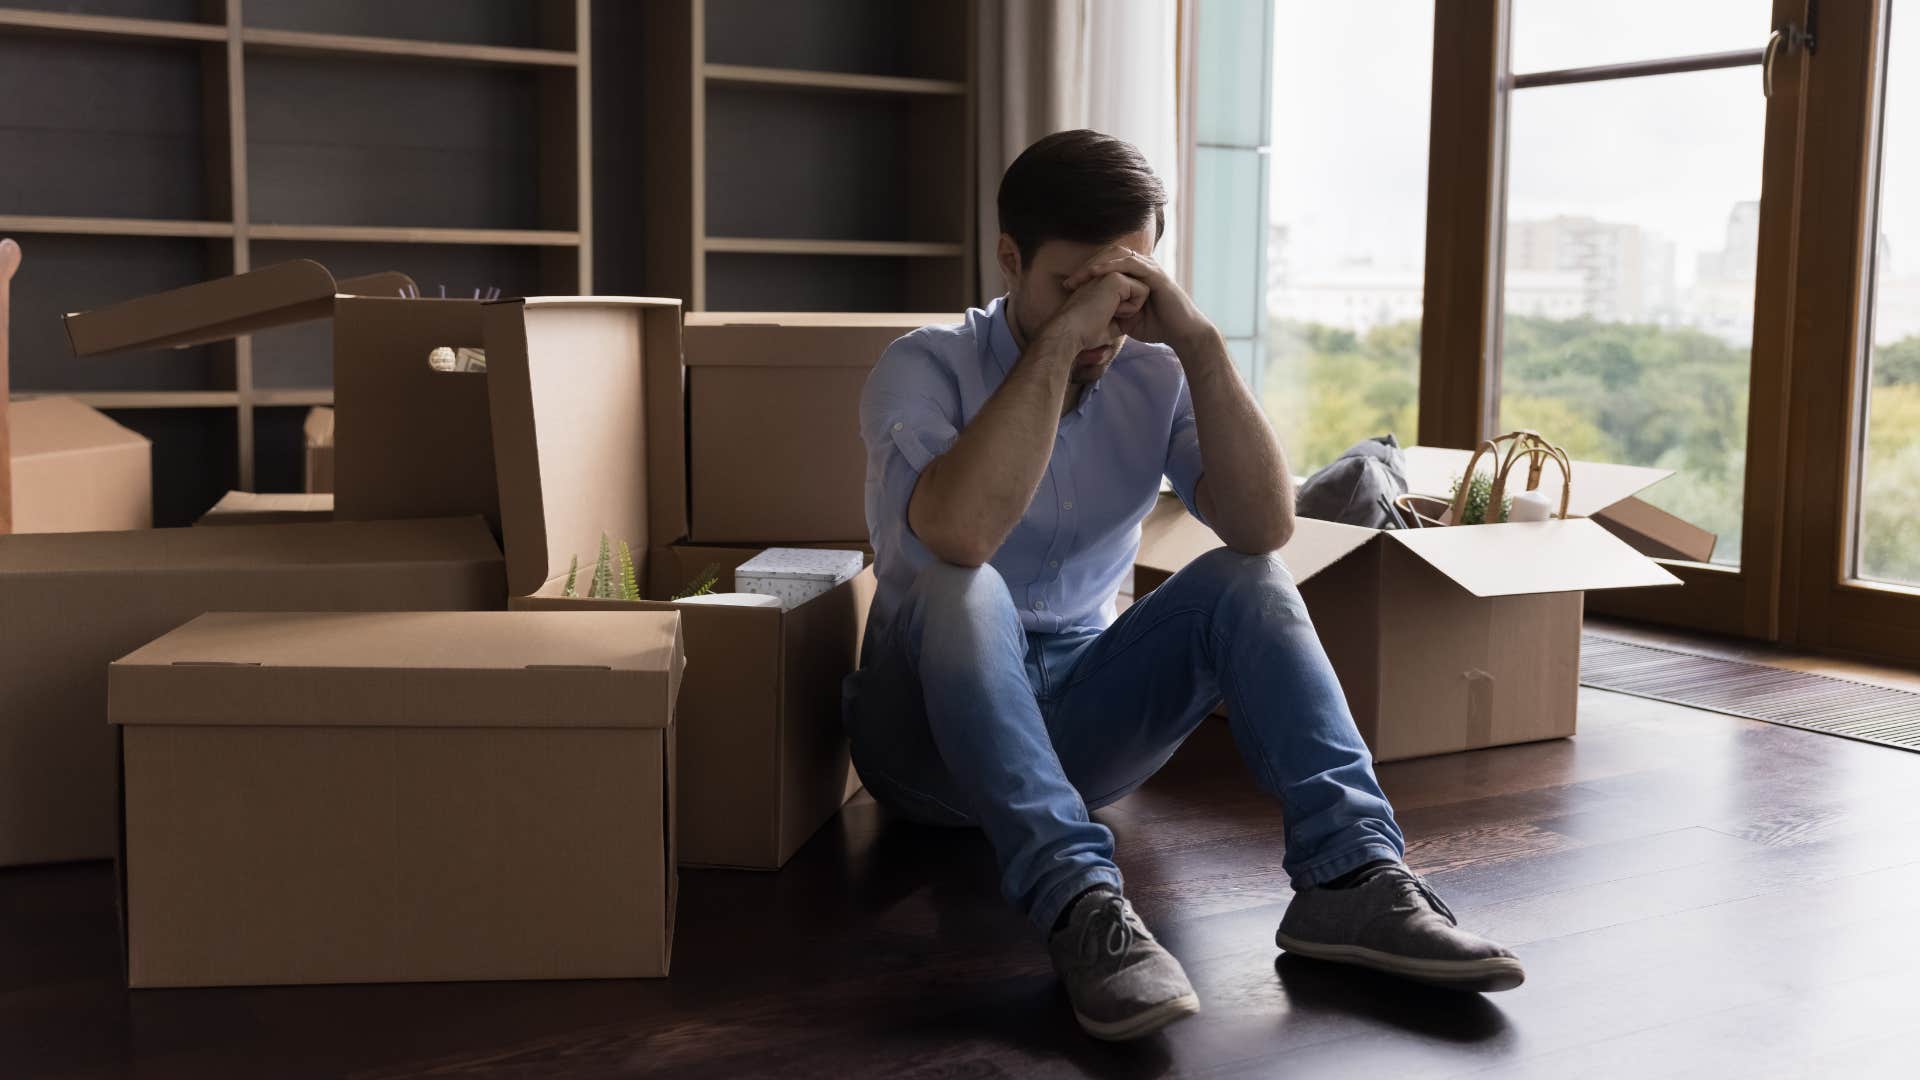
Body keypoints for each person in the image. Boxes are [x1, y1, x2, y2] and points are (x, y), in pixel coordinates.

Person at [843, 130, 1523, 1042]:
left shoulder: (1155, 368)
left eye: (1122, 287)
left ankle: (1350, 879)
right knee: (968, 585)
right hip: (923, 737)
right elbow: (960, 534)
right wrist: (1058, 349)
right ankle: (1080, 905)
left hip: (1079, 725)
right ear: (1009, 260)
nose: (1103, 320)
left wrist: (1200, 347)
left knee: (1249, 577)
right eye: (1071, 289)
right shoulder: (921, 365)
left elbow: (1263, 526)